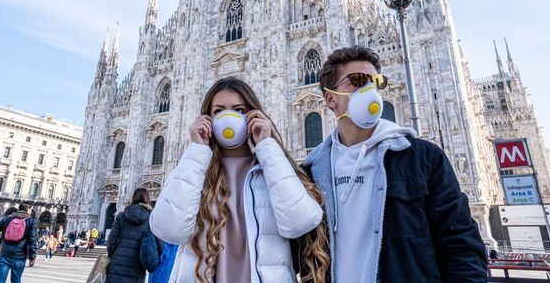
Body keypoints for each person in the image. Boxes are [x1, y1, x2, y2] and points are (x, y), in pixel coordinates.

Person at [302, 46, 487, 282]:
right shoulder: (312, 170)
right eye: (357, 81)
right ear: (330, 98)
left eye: (376, 82)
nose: (369, 90)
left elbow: (461, 244)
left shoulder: (423, 158)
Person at [150, 77, 329, 282]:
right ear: (207, 119)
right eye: (218, 111)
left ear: (254, 115)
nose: (229, 117)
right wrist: (197, 151)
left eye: (239, 110)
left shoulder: (271, 169)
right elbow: (168, 229)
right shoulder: (195, 170)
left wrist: (267, 146)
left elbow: (301, 222)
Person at [107, 188, 162, 282]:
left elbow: (111, 242)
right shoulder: (152, 219)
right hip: (137, 265)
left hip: (117, 263)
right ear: (147, 199)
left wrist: (115, 254)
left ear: (133, 198)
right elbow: (159, 245)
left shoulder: (121, 216)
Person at [0, 202, 38, 283]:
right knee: (16, 280)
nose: (31, 211)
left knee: (0, 281)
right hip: (19, 257)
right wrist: (32, 257)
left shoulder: (7, 218)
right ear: (28, 209)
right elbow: (32, 240)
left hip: (4, 254)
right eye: (31, 210)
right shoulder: (31, 221)